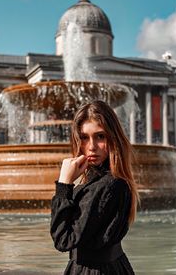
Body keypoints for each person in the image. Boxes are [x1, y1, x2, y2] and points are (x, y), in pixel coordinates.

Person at [50, 100, 139, 275]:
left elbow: (63, 240)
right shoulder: (111, 180)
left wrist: (64, 184)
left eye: (100, 136)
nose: (91, 147)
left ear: (113, 137)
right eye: (84, 137)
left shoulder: (107, 185)